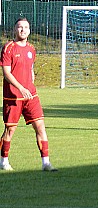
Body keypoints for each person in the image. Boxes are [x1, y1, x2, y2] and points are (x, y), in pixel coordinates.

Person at [0, 18, 57, 171]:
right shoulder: (8, 48)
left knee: (40, 127)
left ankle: (46, 163)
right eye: (20, 27)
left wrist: (30, 80)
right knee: (10, 130)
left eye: (25, 27)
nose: (23, 30)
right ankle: (3, 161)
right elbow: (6, 73)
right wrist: (20, 87)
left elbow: (30, 68)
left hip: (31, 96)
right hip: (13, 96)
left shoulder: (31, 49)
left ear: (29, 30)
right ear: (14, 30)